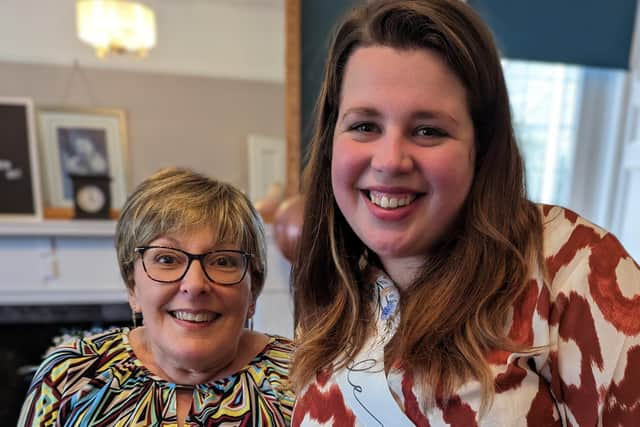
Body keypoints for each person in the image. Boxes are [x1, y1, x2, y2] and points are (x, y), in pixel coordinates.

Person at [290, 1, 640, 426]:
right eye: (365, 125)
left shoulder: (574, 268)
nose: (389, 161)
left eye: (428, 130)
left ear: (481, 147)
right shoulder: (336, 290)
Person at [19, 167, 295, 426]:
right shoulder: (69, 373)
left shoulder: (303, 379)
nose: (195, 284)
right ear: (132, 286)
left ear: (253, 290)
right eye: (166, 258)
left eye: (223, 261)